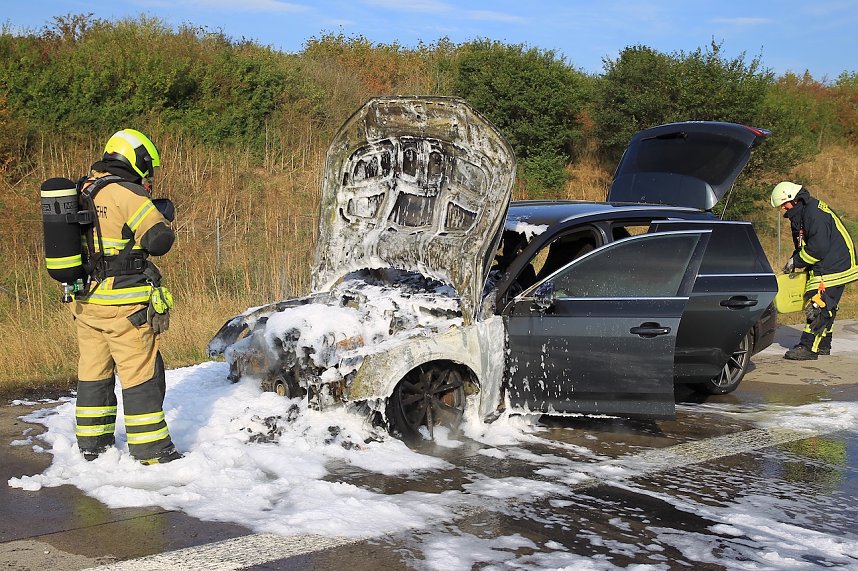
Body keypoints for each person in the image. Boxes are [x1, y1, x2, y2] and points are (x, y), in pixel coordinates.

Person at [72, 129, 182, 464]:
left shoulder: (84, 189)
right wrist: (159, 214)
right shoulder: (127, 193)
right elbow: (158, 240)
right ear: (138, 159)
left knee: (93, 373)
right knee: (139, 375)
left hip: (86, 303)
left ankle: (94, 446)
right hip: (124, 306)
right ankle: (152, 451)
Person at [770, 181, 858, 360]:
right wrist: (795, 259)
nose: (783, 209)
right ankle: (824, 344)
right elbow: (805, 244)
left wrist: (797, 260)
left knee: (819, 305)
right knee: (827, 305)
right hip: (828, 263)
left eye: (784, 204)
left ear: (794, 200)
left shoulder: (813, 213)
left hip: (834, 265)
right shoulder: (804, 212)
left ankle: (809, 347)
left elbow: (818, 248)